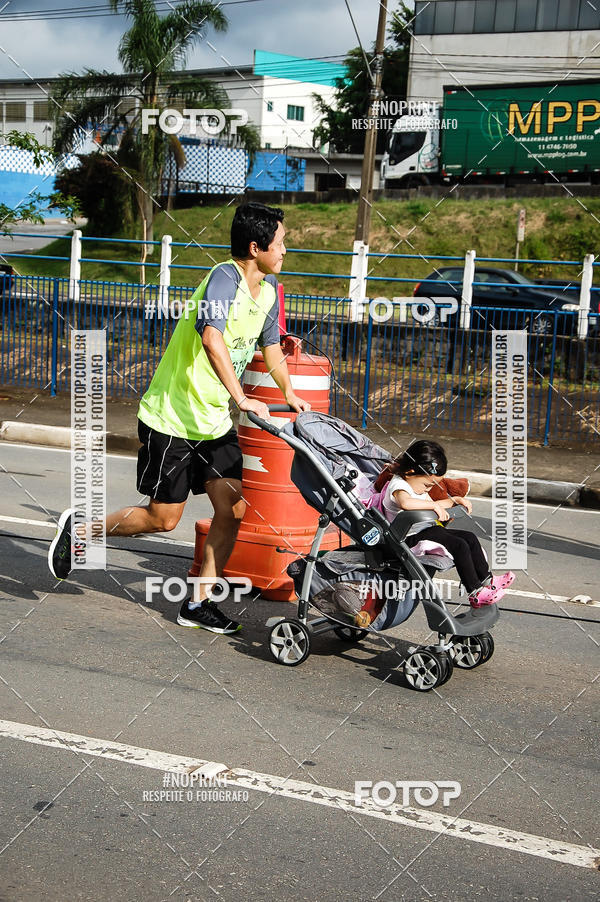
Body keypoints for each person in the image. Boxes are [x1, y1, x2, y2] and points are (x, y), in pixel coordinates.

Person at [48, 202, 310, 633]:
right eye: (280, 242)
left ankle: (198, 602)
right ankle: (82, 530)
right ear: (254, 246)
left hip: (213, 424)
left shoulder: (269, 290)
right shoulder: (225, 278)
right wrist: (242, 396)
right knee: (162, 519)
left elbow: (272, 350)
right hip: (172, 418)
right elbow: (211, 338)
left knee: (234, 509)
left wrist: (290, 393)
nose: (285, 249)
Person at [372, 440, 515, 608]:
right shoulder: (399, 485)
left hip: (425, 529)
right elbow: (406, 503)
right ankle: (475, 592)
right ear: (410, 472)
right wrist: (433, 505)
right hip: (408, 537)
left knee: (469, 537)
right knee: (459, 545)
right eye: (427, 485)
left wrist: (454, 500)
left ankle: (487, 580)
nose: (427, 489)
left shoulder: (415, 485)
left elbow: (435, 503)